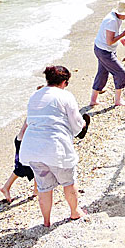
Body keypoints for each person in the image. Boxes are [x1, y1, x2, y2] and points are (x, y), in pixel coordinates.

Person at [19, 66, 87, 226]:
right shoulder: (65, 95)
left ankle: (47, 221)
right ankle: (75, 212)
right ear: (64, 82)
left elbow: (30, 121)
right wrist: (83, 125)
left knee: (44, 188)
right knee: (68, 182)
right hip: (56, 148)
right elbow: (76, 124)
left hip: (32, 148)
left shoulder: (35, 95)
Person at [90, 0, 125, 107]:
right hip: (104, 51)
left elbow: (111, 34)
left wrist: (121, 39)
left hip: (101, 48)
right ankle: (118, 101)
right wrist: (124, 34)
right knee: (121, 73)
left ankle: (93, 100)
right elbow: (109, 41)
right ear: (122, 12)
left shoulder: (116, 17)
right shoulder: (112, 21)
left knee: (102, 74)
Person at [0, 120, 37, 203]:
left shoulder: (36, 110)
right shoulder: (35, 112)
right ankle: (6, 187)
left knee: (35, 165)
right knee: (22, 168)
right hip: (23, 142)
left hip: (25, 141)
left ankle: (36, 191)